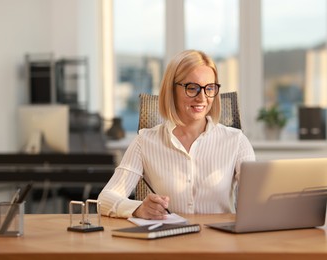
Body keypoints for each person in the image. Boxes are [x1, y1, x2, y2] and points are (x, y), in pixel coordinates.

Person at [98, 49, 255, 220]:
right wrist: (138, 209)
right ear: (172, 90)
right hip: (169, 242)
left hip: (220, 243)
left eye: (209, 88)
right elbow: (105, 200)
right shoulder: (145, 142)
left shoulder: (236, 141)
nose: (202, 98)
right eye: (192, 88)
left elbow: (258, 198)